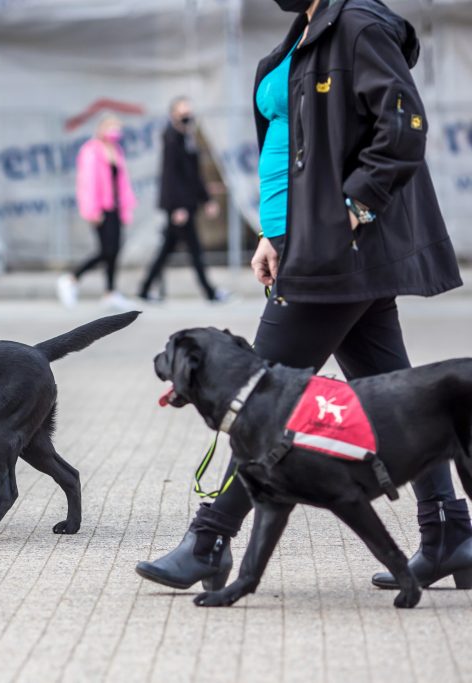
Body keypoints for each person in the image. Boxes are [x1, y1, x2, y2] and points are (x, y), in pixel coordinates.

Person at [136, 0, 468, 593]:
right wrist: (272, 232)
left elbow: (403, 124)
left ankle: (210, 538)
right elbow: (297, 146)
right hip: (303, 242)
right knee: (397, 384)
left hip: (335, 251)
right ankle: (449, 531)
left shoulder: (358, 25)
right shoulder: (307, 33)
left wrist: (350, 212)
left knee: (257, 397)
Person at [138, 97, 227, 303]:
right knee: (194, 250)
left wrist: (206, 199)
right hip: (179, 206)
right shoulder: (171, 139)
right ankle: (210, 293)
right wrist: (177, 206)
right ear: (173, 115)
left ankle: (144, 289)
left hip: (187, 204)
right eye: (182, 112)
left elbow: (193, 175)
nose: (187, 116)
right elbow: (171, 176)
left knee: (167, 249)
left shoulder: (188, 139)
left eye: (189, 112)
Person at [56, 116, 138, 311]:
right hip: (101, 208)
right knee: (106, 251)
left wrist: (126, 206)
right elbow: (88, 183)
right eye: (112, 126)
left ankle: (110, 292)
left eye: (118, 127)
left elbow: (122, 182)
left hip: (116, 207)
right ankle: (71, 278)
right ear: (101, 128)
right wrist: (92, 209)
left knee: (114, 251)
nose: (115, 131)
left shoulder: (116, 150)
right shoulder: (91, 150)